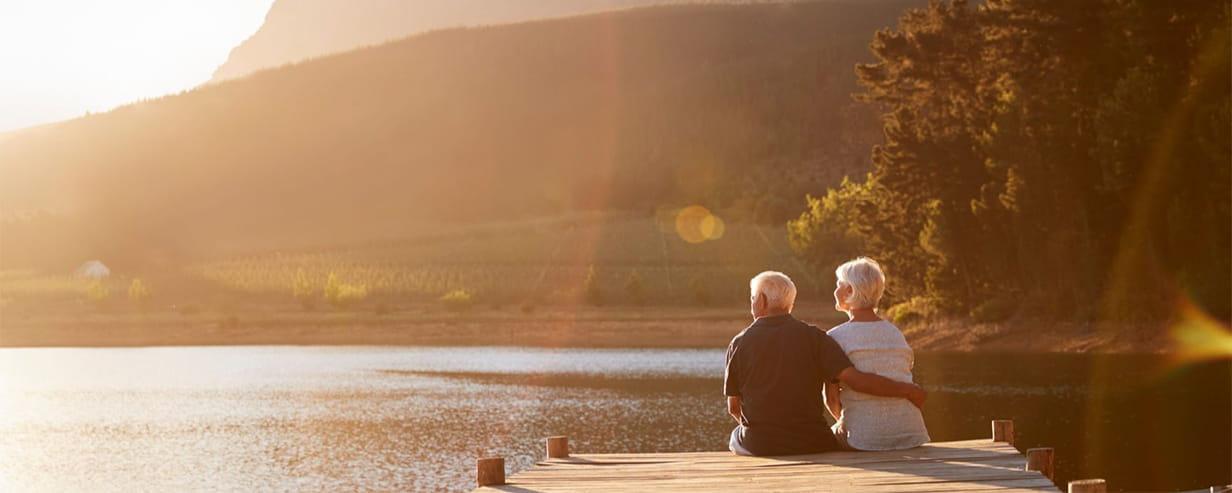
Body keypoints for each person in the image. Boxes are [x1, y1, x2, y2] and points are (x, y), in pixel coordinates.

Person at [725, 271, 926, 456]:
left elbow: (734, 408)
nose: (752, 304)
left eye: (752, 298)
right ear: (790, 304)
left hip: (761, 444)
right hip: (813, 441)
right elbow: (850, 382)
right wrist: (907, 390)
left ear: (761, 301)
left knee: (735, 437)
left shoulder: (739, 343)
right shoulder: (817, 338)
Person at [824, 257, 930, 451]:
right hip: (911, 434)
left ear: (850, 291)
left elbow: (831, 400)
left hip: (864, 439)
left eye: (839, 284)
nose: (835, 290)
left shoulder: (834, 337)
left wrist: (859, 424)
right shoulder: (895, 333)